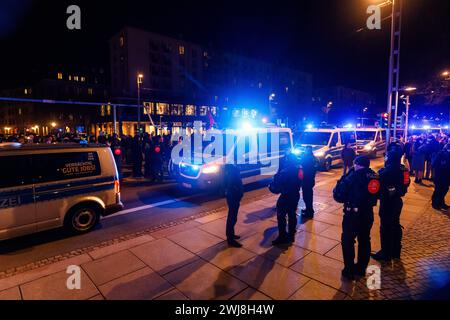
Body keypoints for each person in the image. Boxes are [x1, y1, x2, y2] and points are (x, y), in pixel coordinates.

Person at [333, 156, 380, 279]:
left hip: (352, 215)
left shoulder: (352, 177)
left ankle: (348, 269)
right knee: (364, 240)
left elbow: (338, 196)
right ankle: (361, 268)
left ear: (358, 164)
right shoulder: (374, 176)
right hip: (367, 213)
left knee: (348, 241)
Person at [372, 151, 410, 261]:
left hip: (387, 202)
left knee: (386, 227)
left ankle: (385, 253)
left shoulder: (385, 171)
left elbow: (378, 187)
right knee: (395, 224)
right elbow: (406, 182)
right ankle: (396, 251)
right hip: (398, 201)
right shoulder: (403, 169)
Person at [270, 154, 303, 245]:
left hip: (286, 196)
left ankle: (282, 236)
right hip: (295, 194)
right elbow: (301, 180)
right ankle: (291, 235)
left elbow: (277, 186)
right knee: (292, 215)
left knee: (281, 216)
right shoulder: (299, 168)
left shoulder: (285, 171)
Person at [224, 164, 244, 247]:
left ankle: (231, 235)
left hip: (232, 195)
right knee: (232, 217)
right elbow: (233, 183)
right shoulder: (232, 169)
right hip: (233, 196)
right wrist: (238, 193)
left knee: (233, 217)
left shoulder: (231, 168)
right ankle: (230, 239)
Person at [300, 146, 319, 219]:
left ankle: (309, 212)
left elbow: (302, 165)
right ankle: (309, 209)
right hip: (310, 180)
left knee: (306, 196)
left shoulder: (307, 158)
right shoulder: (313, 158)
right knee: (309, 196)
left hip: (306, 180)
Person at [431, 144, 450, 210]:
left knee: (444, 189)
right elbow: (434, 164)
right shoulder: (440, 154)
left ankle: (441, 202)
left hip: (447, 176)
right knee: (438, 190)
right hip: (440, 175)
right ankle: (435, 203)